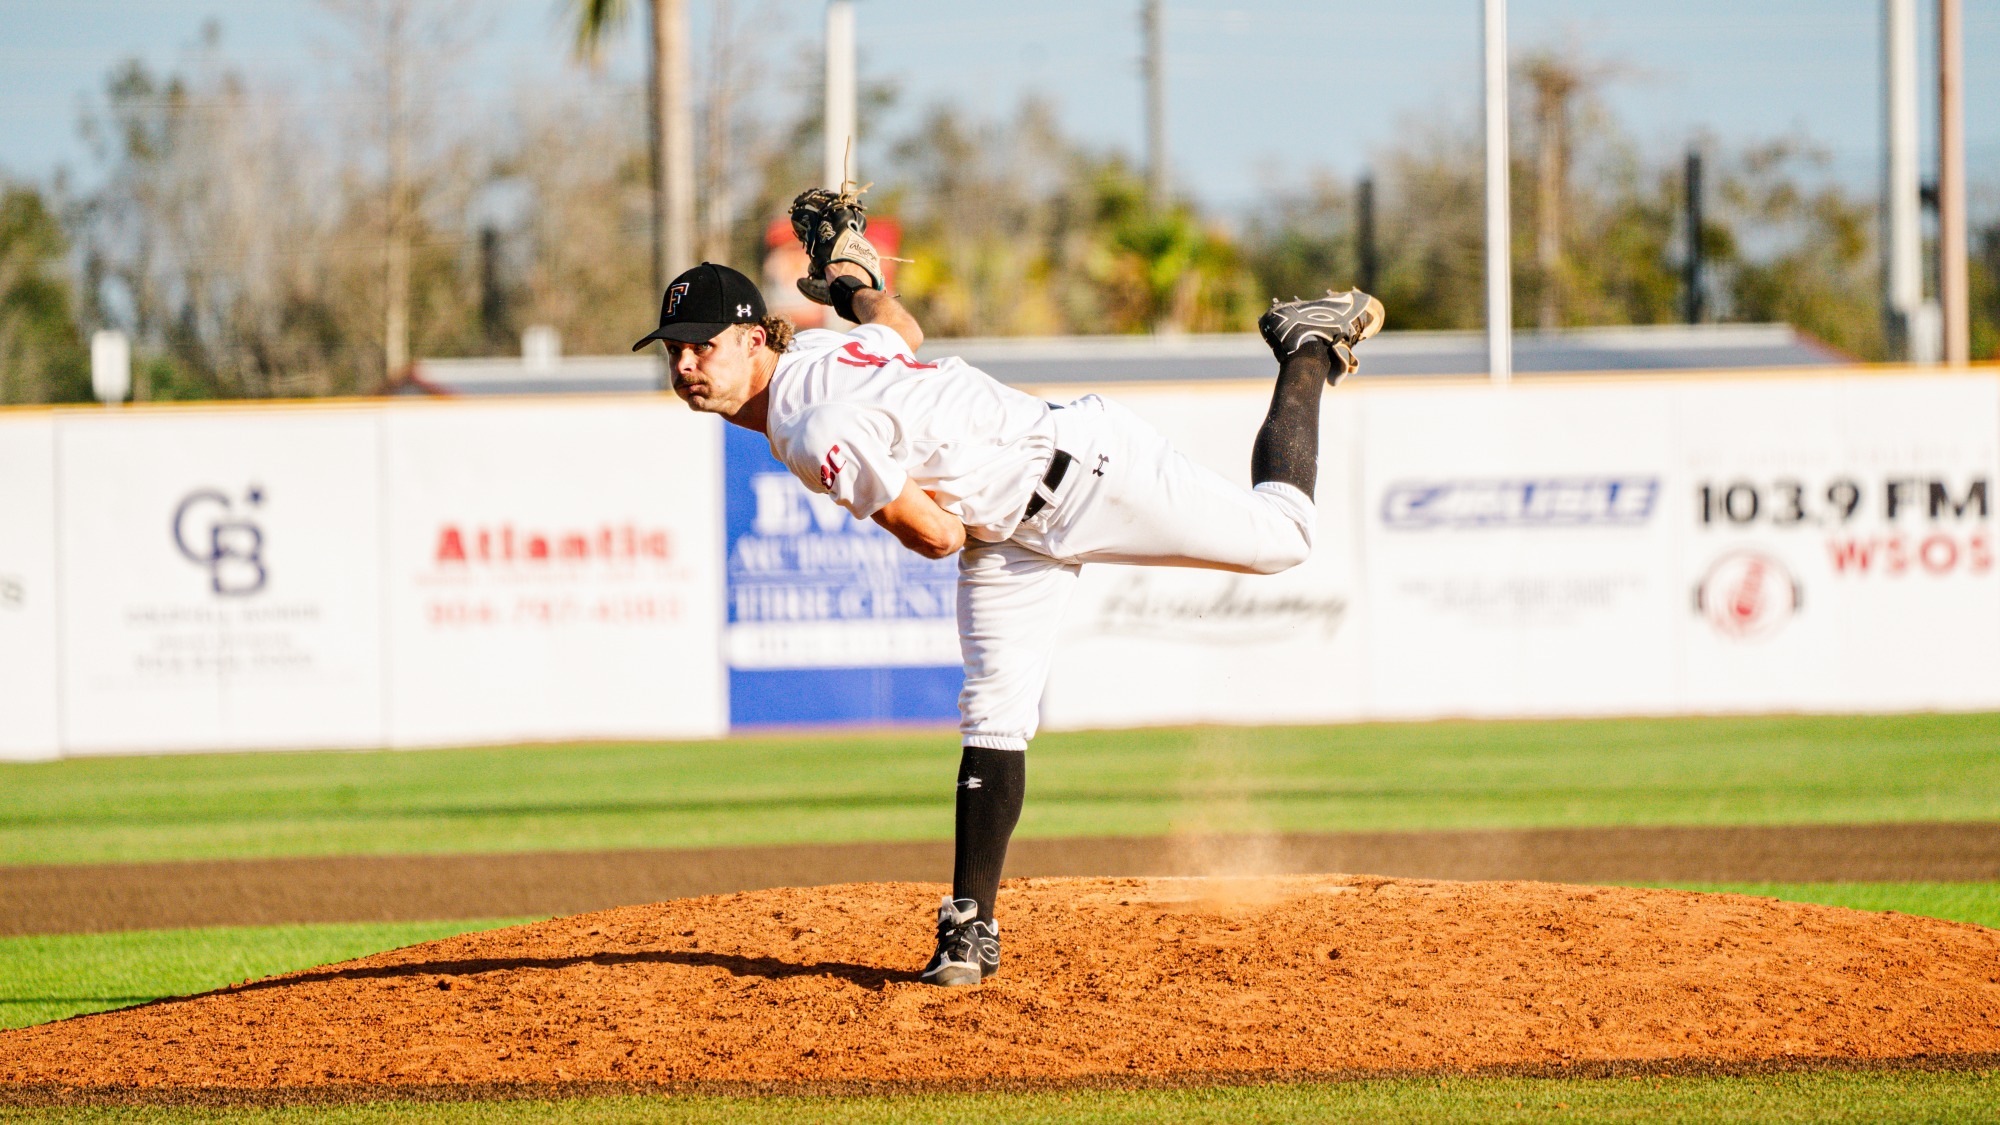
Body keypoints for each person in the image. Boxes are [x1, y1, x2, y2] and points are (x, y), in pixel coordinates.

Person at [633, 210, 1383, 987]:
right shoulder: (820, 349)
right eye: (676, 350)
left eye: (704, 344)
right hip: (1011, 525)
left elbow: (936, 537)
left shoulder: (808, 421)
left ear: (756, 339)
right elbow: (901, 328)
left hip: (1085, 472)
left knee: (1283, 535)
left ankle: (1305, 345)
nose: (687, 363)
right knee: (993, 713)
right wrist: (857, 285)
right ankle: (968, 928)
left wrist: (933, 489)